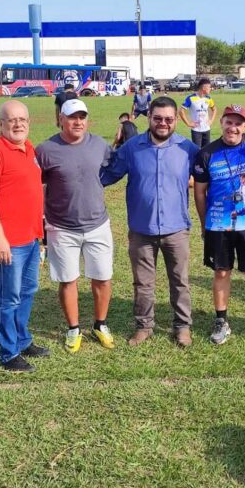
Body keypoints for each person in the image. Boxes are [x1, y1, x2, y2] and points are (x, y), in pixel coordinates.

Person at [101, 96, 199, 347]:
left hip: (176, 228)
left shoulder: (188, 149)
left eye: (168, 119)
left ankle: (182, 326)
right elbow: (107, 175)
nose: (163, 123)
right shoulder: (132, 148)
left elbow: (211, 174)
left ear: (176, 119)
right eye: (157, 118)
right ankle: (144, 325)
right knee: (143, 282)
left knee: (180, 281)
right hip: (141, 229)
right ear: (150, 118)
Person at [192, 105, 245, 346]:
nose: (233, 127)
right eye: (229, 122)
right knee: (221, 272)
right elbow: (199, 193)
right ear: (222, 123)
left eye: (238, 123)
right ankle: (221, 321)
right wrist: (203, 223)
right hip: (218, 224)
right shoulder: (207, 153)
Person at [36, 99, 115, 353]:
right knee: (68, 279)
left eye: (82, 117)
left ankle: (100, 324)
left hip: (97, 224)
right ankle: (73, 328)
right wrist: (40, 223)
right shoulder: (46, 149)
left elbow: (112, 168)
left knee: (102, 277)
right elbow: (35, 186)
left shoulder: (99, 145)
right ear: (61, 118)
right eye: (72, 117)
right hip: (61, 226)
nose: (78, 122)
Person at [0, 100, 51, 373]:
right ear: (1, 124)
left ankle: (22, 339)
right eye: (11, 120)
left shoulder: (29, 148)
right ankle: (9, 353)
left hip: (30, 238)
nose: (18, 124)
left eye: (22, 119)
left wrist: (40, 233)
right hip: (9, 242)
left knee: (28, 291)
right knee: (9, 298)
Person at [180, 78, 216, 147]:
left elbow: (214, 109)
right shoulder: (191, 98)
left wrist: (211, 120)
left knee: (206, 151)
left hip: (206, 129)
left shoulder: (208, 98)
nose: (210, 89)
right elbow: (181, 111)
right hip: (196, 130)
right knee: (197, 151)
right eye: (209, 87)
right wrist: (188, 123)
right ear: (204, 88)